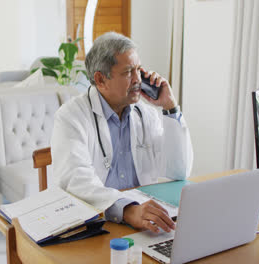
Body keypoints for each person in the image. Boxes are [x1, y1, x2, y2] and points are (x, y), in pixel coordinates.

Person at [51, 32, 193, 233]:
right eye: (128, 72)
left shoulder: (146, 114)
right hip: (95, 221)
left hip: (143, 221)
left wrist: (170, 108)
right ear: (100, 79)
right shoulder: (70, 117)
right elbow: (76, 180)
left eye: (139, 69)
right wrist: (127, 210)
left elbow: (179, 171)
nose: (138, 79)